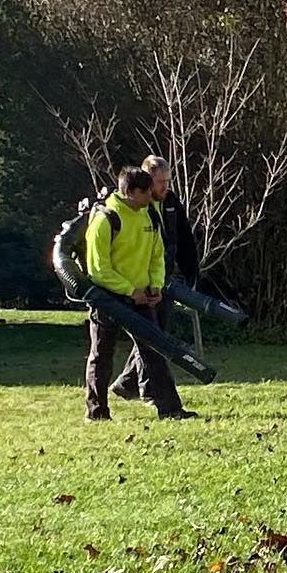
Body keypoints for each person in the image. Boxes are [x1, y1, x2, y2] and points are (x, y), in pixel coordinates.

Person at [84, 166, 196, 421]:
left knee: (154, 351)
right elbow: (98, 269)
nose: (151, 196)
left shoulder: (149, 215)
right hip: (107, 298)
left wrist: (155, 285)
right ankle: (96, 412)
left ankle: (170, 409)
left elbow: (157, 255)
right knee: (101, 355)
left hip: (143, 297)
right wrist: (128, 290)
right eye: (145, 192)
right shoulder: (106, 219)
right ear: (130, 192)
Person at [112, 155, 199, 401]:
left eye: (168, 181)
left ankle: (127, 383)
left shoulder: (171, 201)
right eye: (160, 182)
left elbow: (184, 238)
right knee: (152, 335)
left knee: (155, 332)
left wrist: (191, 273)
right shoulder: (136, 206)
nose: (165, 186)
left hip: (162, 278)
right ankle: (148, 390)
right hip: (137, 281)